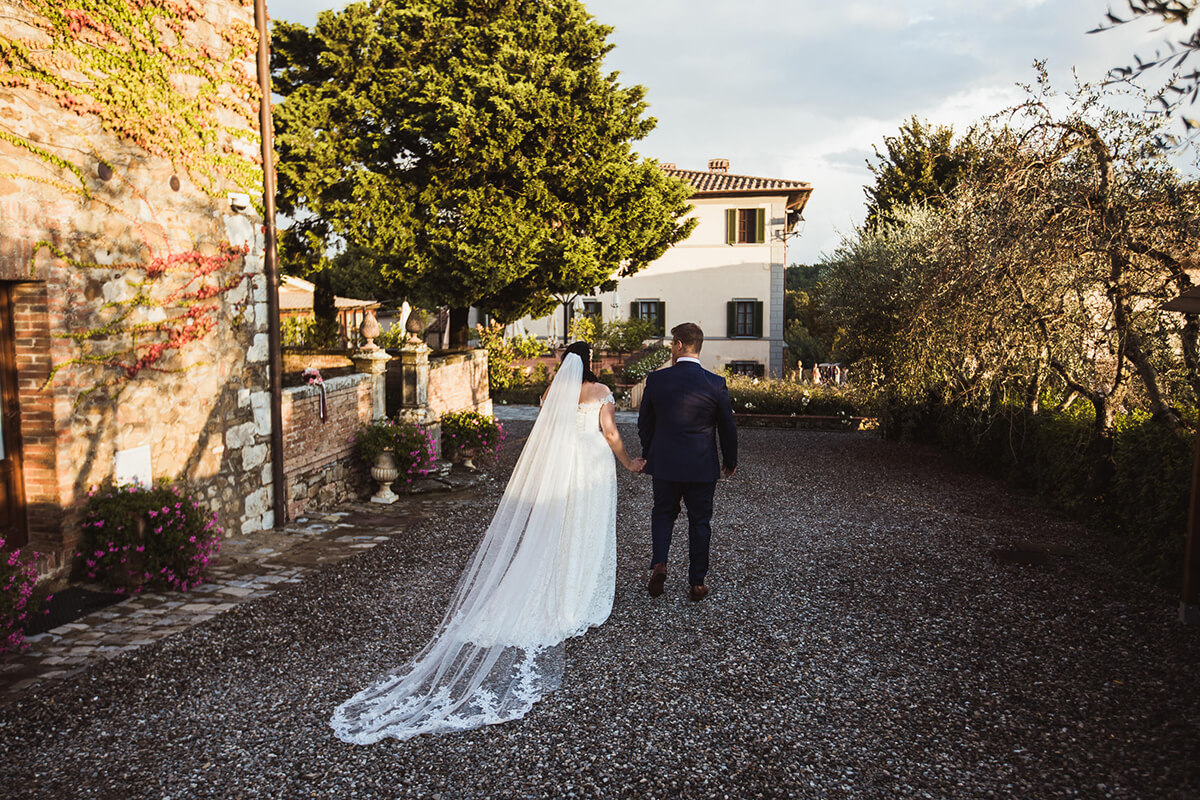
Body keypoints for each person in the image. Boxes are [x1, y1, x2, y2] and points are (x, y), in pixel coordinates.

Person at [331, 342, 644, 743]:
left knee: (560, 528)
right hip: (592, 465)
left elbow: (545, 435)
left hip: (564, 466)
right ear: (590, 364)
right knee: (588, 527)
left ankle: (556, 585)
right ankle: (579, 595)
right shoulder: (600, 393)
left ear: (566, 364)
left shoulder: (552, 393)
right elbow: (612, 432)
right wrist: (629, 462)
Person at [637, 322, 738, 602]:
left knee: (663, 513)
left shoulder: (656, 380)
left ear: (680, 344)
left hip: (665, 464)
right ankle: (697, 582)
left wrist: (649, 452)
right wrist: (730, 460)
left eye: (672, 343)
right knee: (700, 522)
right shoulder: (715, 383)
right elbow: (727, 427)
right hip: (701, 466)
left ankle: (660, 563)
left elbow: (645, 423)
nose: (671, 348)